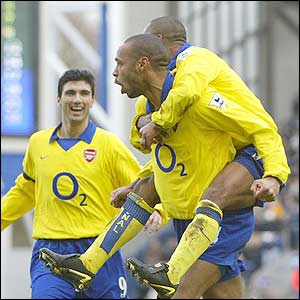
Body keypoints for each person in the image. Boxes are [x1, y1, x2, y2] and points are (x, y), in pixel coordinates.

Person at [38, 33, 290, 299]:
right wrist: (136, 181)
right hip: (190, 218)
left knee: (178, 293)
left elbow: (263, 129)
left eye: (119, 64)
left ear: (142, 64)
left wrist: (275, 176)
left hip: (224, 219)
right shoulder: (149, 107)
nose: (114, 73)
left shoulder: (202, 100)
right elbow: (165, 156)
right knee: (147, 187)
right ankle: (87, 264)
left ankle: (163, 273)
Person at [1, 69, 149, 299]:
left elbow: (143, 183)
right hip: (51, 251)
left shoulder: (108, 144)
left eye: (84, 93)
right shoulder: (38, 143)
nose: (77, 99)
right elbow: (25, 190)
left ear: (92, 100)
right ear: (59, 99)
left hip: (100, 249)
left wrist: (158, 210)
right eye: (70, 93)